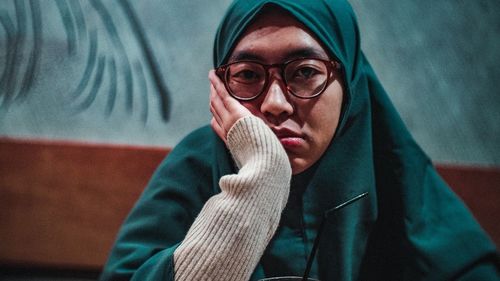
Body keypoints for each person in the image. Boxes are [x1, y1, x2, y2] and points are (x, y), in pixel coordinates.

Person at [99, 1, 499, 280]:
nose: (274, 104)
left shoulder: (387, 162)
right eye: (249, 75)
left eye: (304, 72)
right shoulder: (198, 163)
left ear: (348, 81)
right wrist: (258, 186)